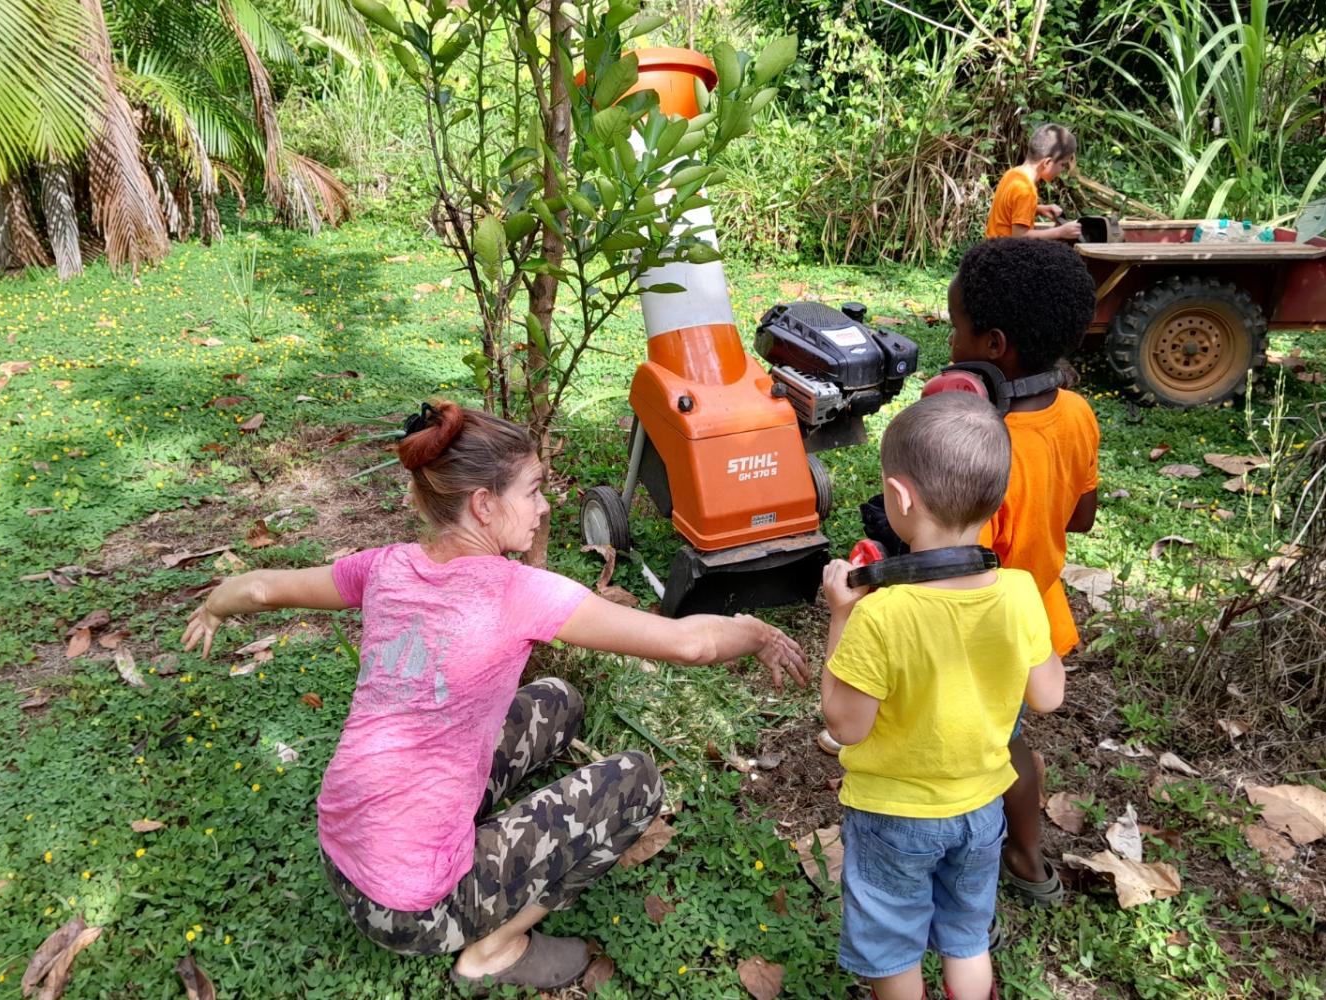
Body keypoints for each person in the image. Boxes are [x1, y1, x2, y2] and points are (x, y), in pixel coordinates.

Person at [180, 401, 808, 994]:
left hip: (341, 856)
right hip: (415, 908)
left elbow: (263, 590)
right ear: (483, 504)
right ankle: (496, 948)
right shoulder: (514, 593)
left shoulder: (385, 566)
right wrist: (757, 632)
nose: (544, 505)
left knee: (557, 699)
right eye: (533, 490)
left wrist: (212, 605)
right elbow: (689, 644)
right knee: (637, 780)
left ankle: (461, 844)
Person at [820, 392, 1066, 1000]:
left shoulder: (883, 614)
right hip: (982, 812)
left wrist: (840, 618)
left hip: (894, 817)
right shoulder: (1018, 591)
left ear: (899, 498)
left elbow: (846, 725)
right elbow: (1049, 696)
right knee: (966, 936)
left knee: (892, 944)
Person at [946, 238, 1100, 908]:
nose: (951, 341)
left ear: (994, 346)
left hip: (980, 632)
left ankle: (972, 882)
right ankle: (1029, 856)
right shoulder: (1078, 415)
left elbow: (956, 565)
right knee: (1010, 741)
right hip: (1037, 615)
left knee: (978, 754)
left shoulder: (980, 447)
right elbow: (1084, 515)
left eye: (957, 329)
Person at [984, 123, 1082, 241]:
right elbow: (1019, 236)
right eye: (1062, 164)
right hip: (1005, 253)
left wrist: (1039, 209)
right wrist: (1060, 232)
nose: (1063, 169)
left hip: (991, 246)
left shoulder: (1012, 174)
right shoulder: (1026, 190)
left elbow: (1011, 207)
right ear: (1047, 163)